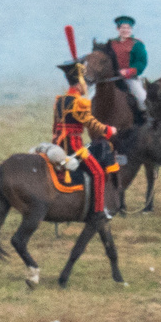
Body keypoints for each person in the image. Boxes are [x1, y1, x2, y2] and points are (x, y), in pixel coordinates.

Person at [45, 60, 119, 219]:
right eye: (84, 81)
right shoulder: (79, 101)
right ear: (79, 83)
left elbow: (55, 125)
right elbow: (90, 122)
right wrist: (108, 130)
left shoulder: (60, 100)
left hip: (58, 144)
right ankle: (98, 211)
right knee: (98, 173)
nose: (86, 85)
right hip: (74, 146)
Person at [100, 16, 148, 121]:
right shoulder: (111, 44)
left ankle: (145, 119)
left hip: (130, 78)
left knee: (142, 98)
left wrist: (130, 71)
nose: (126, 30)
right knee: (91, 97)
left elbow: (141, 62)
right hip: (111, 78)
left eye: (128, 28)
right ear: (118, 29)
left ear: (131, 29)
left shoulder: (137, 44)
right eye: (123, 28)